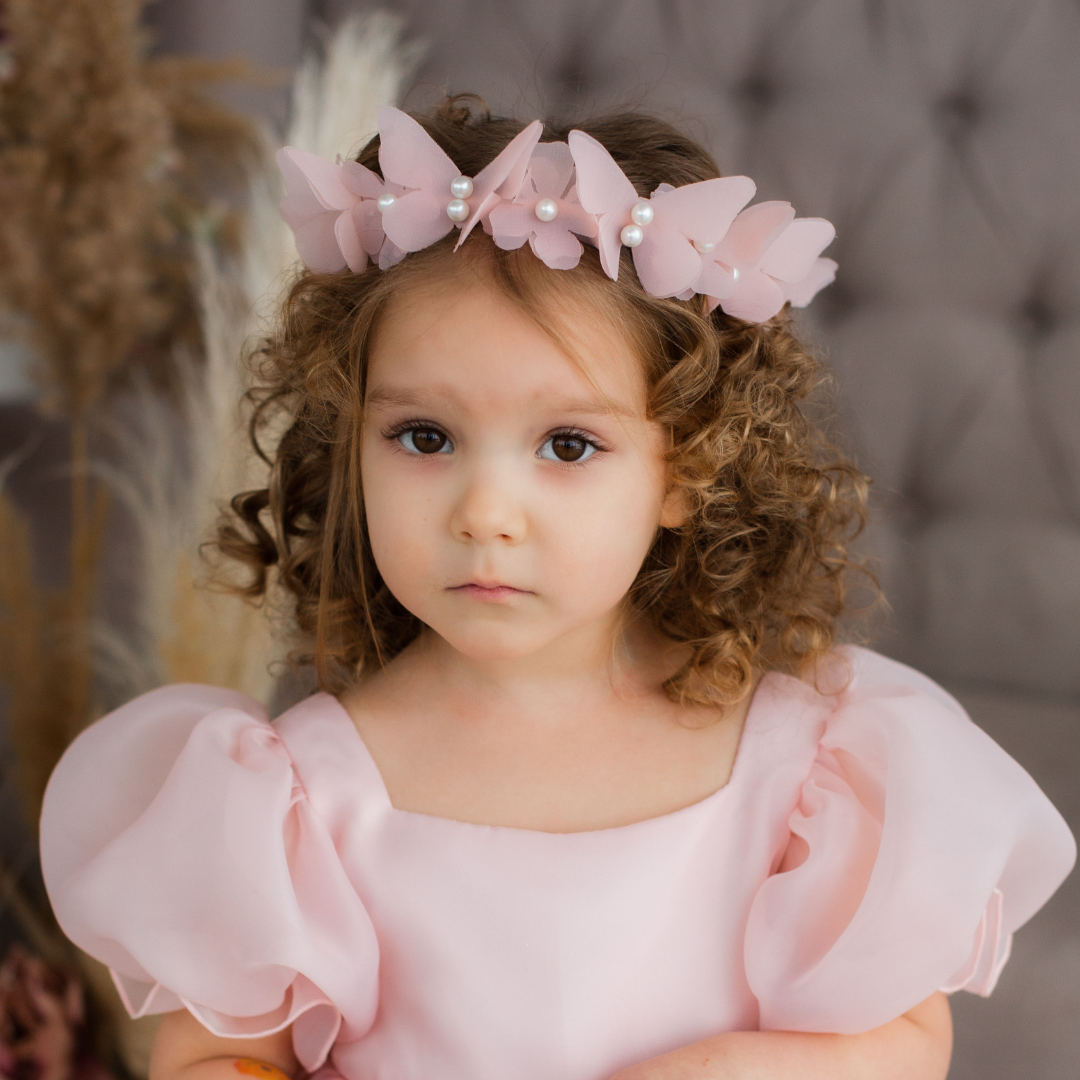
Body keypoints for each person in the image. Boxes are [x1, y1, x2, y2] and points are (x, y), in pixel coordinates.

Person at [39, 97, 1075, 1080]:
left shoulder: (801, 770)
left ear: (683, 470)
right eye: (425, 437)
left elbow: (902, 1043)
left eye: (568, 444)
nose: (486, 510)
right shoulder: (296, 798)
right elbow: (212, 1056)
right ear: (349, 447)